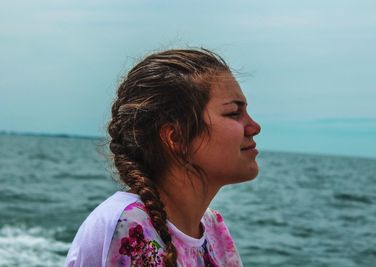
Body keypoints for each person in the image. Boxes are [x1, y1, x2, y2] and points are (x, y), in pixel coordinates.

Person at [65, 48, 261, 267]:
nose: (254, 127)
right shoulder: (128, 225)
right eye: (234, 113)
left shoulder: (213, 227)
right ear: (176, 137)